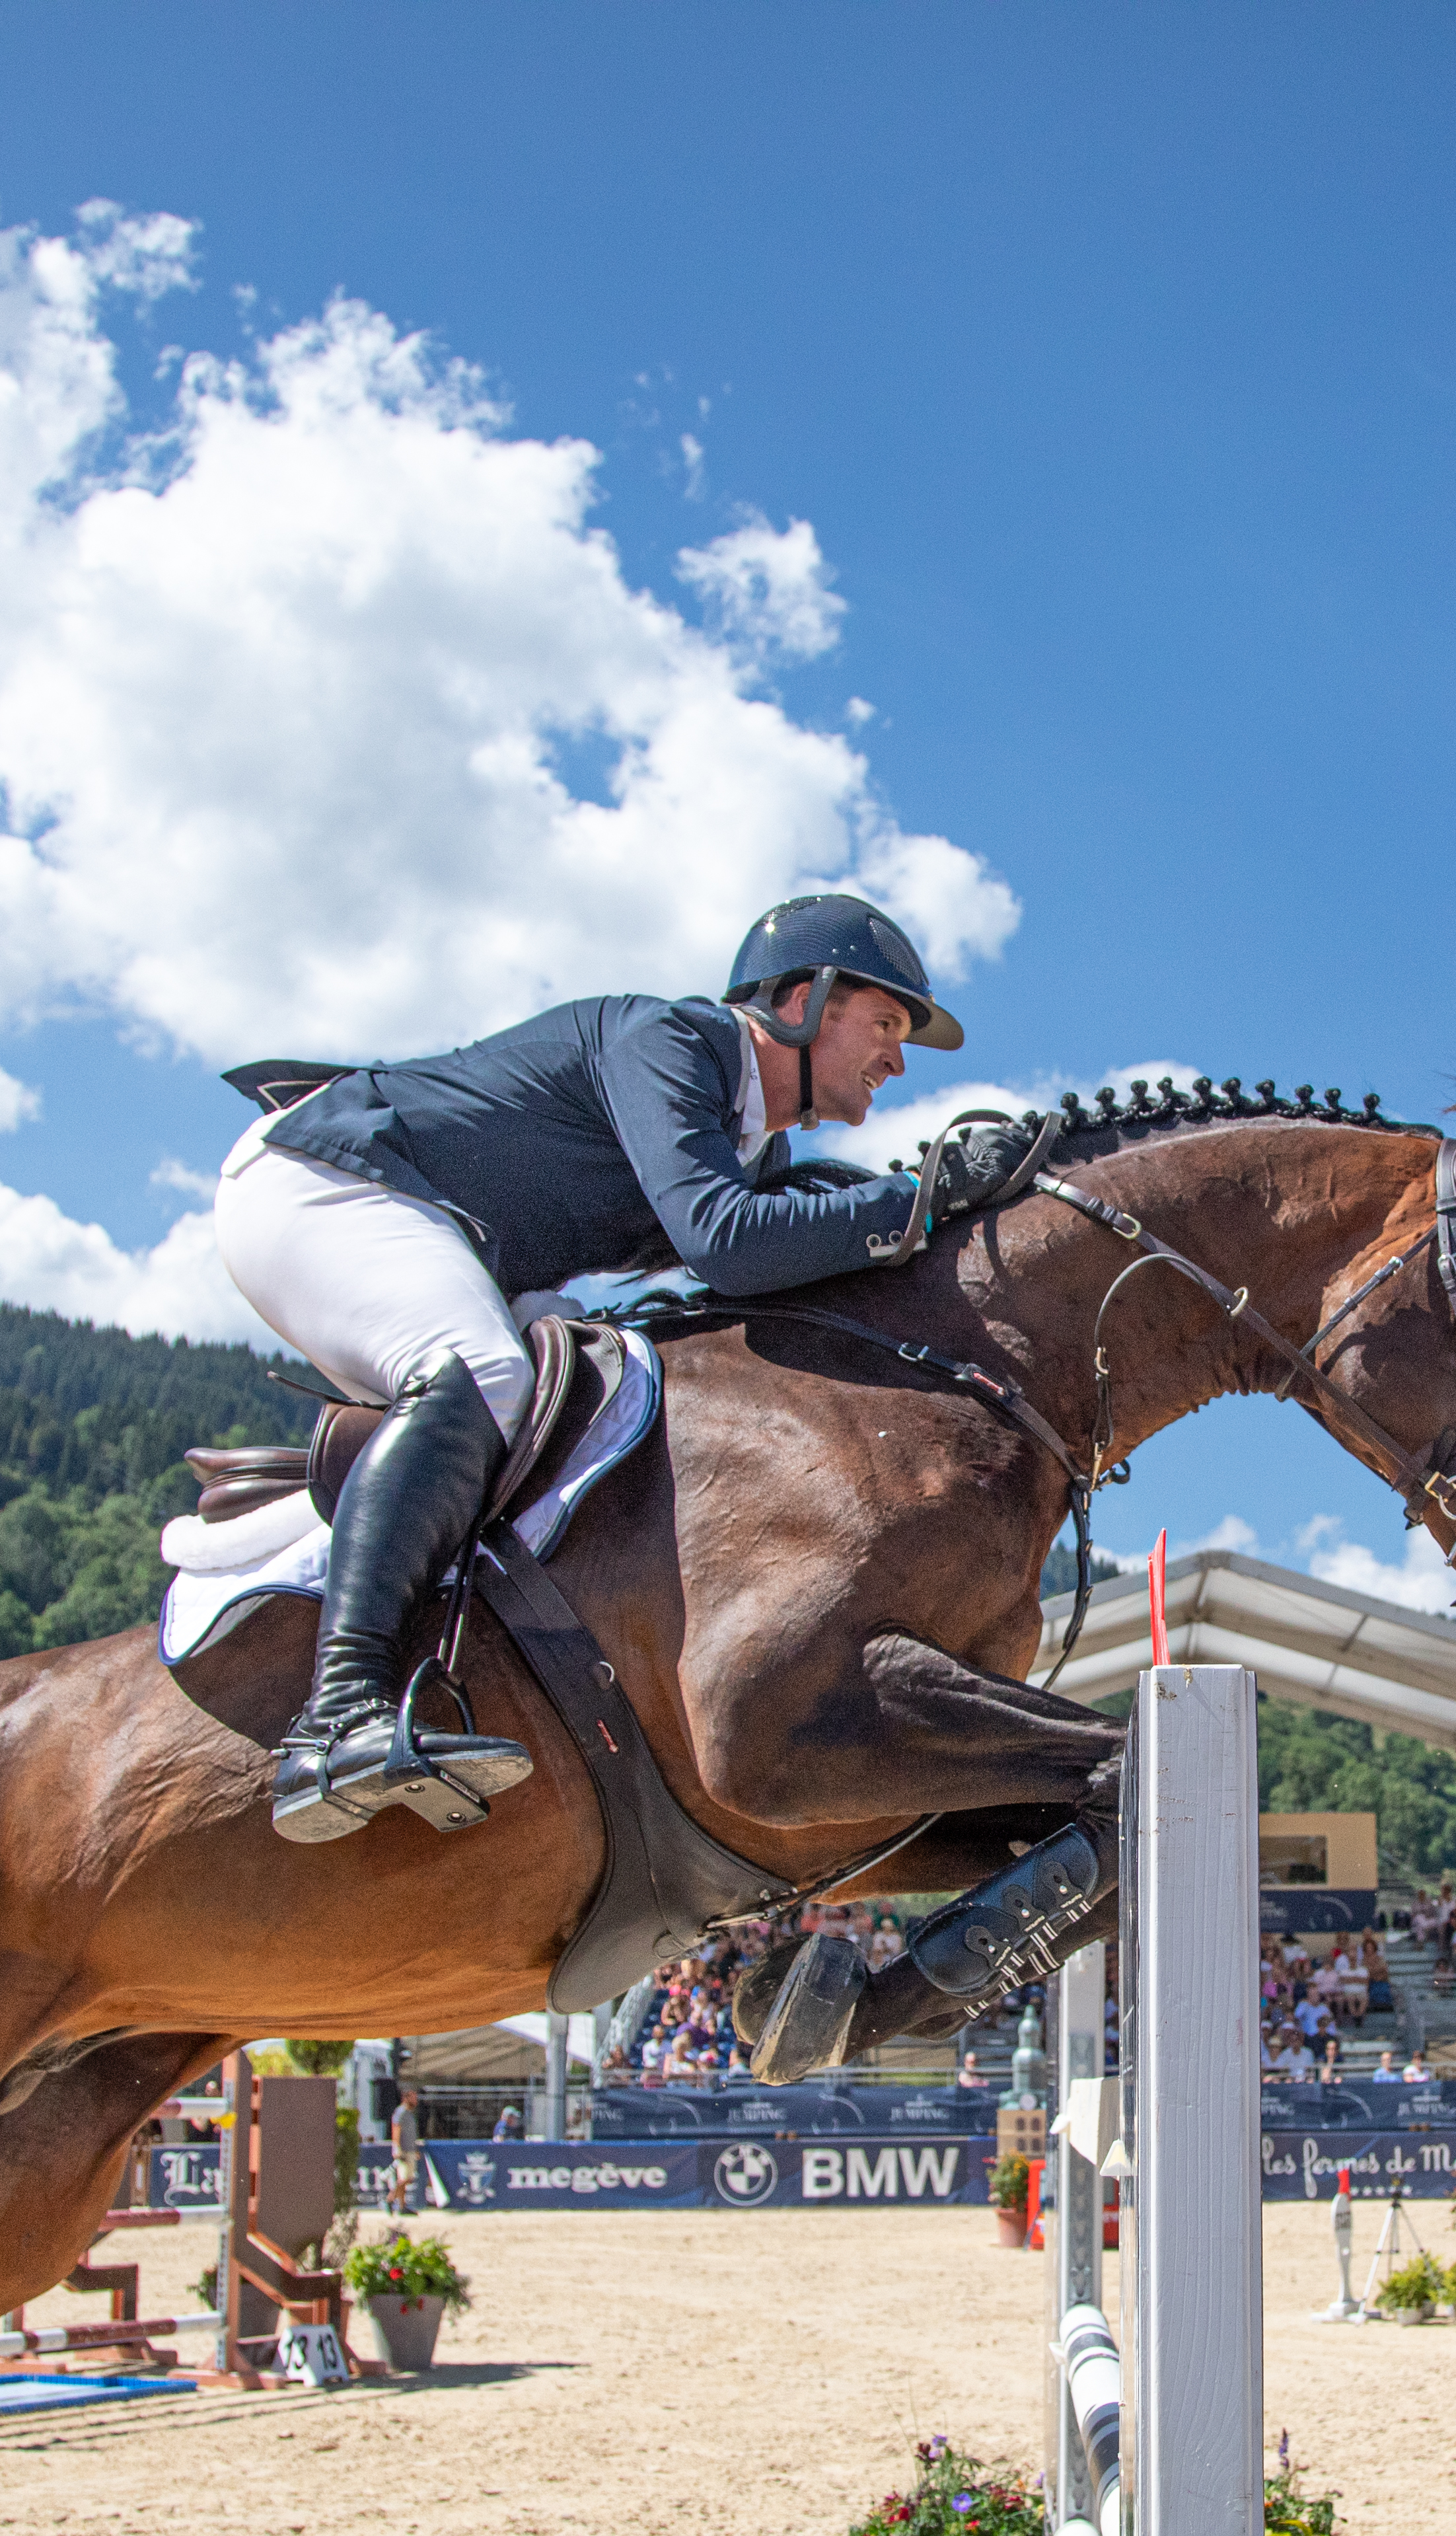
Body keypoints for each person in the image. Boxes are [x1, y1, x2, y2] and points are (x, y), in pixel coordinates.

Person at [213, 895, 1033, 1846]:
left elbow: (820, 1218)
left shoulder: (748, 1139)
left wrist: (948, 1200)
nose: (896, 1058)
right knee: (484, 1375)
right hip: (327, 1183)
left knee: (588, 1398)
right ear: (803, 1000)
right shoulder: (671, 1042)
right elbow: (728, 1243)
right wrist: (925, 1197)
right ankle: (336, 1719)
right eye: (885, 1024)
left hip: (451, 1233)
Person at [387, 2083, 422, 2212]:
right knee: (405, 2178)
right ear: (406, 2098)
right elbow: (396, 2129)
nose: (416, 2100)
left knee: (407, 2178)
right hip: (403, 2151)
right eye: (413, 2097)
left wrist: (415, 2149)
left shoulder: (410, 2114)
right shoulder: (401, 2112)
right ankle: (390, 2199)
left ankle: (402, 2206)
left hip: (410, 2150)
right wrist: (397, 2148)